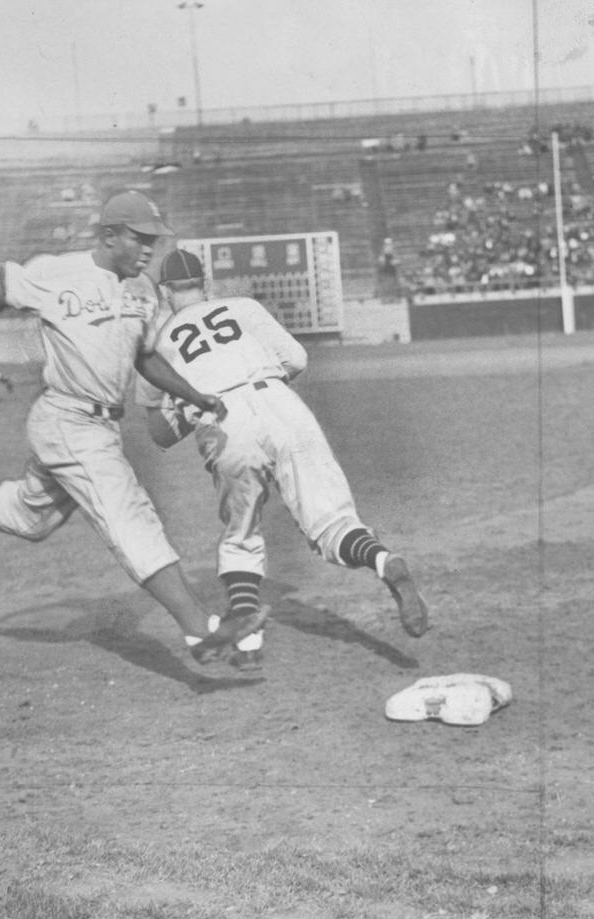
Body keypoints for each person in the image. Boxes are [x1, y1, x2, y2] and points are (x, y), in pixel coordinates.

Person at [0, 191, 268, 665]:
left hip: (99, 426)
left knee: (28, 518)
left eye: (156, 241)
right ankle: (199, 628)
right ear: (109, 236)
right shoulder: (57, 270)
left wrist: (195, 395)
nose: (151, 250)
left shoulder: (144, 291)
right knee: (129, 512)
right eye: (141, 239)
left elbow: (145, 358)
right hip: (68, 417)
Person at [135, 249, 428, 659]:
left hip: (222, 420)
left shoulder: (157, 342)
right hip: (280, 402)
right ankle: (383, 561)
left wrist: (193, 404)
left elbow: (159, 434)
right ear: (206, 285)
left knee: (242, 531)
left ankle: (249, 643)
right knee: (331, 520)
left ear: (166, 292)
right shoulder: (242, 308)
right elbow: (298, 359)